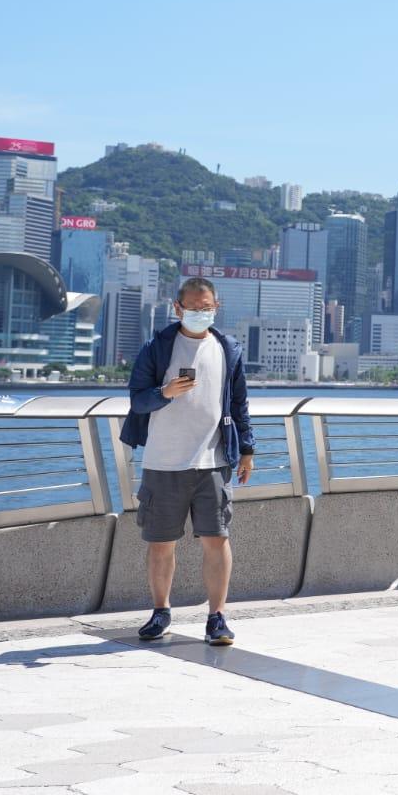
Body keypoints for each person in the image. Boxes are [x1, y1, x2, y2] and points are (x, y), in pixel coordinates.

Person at [119, 277, 254, 647]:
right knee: (161, 543)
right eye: (192, 307)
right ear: (177, 308)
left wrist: (247, 450)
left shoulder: (228, 349)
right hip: (163, 462)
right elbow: (137, 400)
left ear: (216, 307)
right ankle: (160, 611)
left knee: (217, 539)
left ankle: (217, 618)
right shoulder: (157, 347)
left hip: (213, 461)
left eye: (205, 307)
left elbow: (239, 404)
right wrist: (164, 392)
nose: (199, 313)